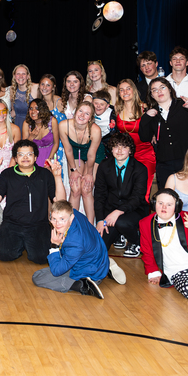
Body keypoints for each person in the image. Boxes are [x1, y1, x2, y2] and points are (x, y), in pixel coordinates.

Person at [0, 139, 67, 263]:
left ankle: (27, 245)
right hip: (12, 224)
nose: (25, 157)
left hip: (38, 224)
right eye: (21, 154)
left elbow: (60, 201)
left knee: (41, 258)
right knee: (4, 254)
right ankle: (21, 244)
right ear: (15, 157)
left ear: (35, 157)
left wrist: (57, 176)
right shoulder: (7, 174)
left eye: (29, 154)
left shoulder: (45, 174)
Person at [139, 77, 188, 188]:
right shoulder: (152, 114)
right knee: (166, 196)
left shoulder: (184, 105)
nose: (159, 92)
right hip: (164, 164)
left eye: (162, 87)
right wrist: (145, 118)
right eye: (155, 90)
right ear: (152, 95)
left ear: (170, 89)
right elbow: (144, 137)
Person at [32, 200, 111, 298]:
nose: (57, 224)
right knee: (41, 273)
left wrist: (54, 245)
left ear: (71, 217)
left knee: (38, 278)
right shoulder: (73, 213)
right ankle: (106, 266)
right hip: (98, 259)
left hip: (91, 270)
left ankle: (82, 285)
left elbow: (56, 271)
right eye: (53, 219)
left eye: (62, 219)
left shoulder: (75, 243)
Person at [94, 132, 149, 260]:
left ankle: (136, 241)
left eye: (124, 147)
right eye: (116, 146)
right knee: (99, 246)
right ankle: (120, 235)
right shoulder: (104, 166)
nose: (119, 150)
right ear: (111, 149)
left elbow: (137, 198)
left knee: (122, 222)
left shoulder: (140, 169)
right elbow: (99, 195)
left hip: (134, 210)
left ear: (130, 150)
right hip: (111, 210)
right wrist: (100, 220)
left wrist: (118, 212)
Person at [59, 100, 103, 223]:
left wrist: (89, 173)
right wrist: (73, 170)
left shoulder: (95, 130)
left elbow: (91, 155)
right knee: (75, 188)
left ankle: (89, 227)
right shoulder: (63, 125)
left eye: (87, 114)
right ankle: (73, 224)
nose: (82, 115)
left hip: (93, 154)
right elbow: (68, 150)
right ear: (75, 112)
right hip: (74, 152)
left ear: (90, 118)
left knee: (86, 189)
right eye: (80, 111)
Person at [115, 79, 155, 199]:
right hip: (125, 155)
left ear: (134, 90)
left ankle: (144, 215)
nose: (125, 92)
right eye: (121, 90)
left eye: (128, 88)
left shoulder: (145, 108)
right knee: (126, 189)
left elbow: (154, 127)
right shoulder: (117, 109)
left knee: (144, 189)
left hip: (145, 152)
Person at [23, 99, 58, 168]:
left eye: (37, 108)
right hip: (34, 158)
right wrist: (31, 138)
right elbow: (24, 147)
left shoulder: (52, 121)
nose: (33, 111)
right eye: (31, 108)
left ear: (43, 110)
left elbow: (56, 143)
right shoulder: (27, 123)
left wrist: (48, 162)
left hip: (50, 155)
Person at [10, 64, 39, 131]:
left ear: (28, 76)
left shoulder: (35, 87)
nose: (20, 76)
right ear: (14, 76)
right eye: (18, 74)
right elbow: (13, 111)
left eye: (23, 74)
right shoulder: (11, 89)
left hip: (32, 125)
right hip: (18, 125)